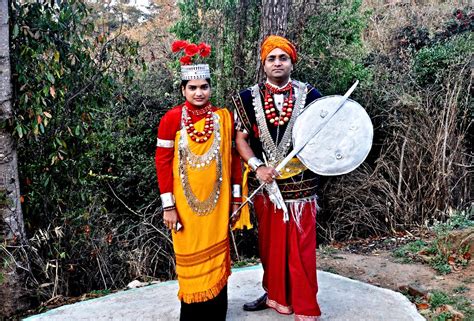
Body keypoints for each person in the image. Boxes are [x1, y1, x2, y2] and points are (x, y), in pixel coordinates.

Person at [232, 35, 323, 321]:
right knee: (271, 247)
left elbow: (327, 135)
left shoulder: (311, 95)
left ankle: (303, 302)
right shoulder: (247, 98)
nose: (277, 63)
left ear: (291, 62)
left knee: (302, 247)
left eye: (283, 57)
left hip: (302, 184)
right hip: (266, 185)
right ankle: (275, 294)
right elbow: (241, 140)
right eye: (271, 58)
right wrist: (257, 166)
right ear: (264, 63)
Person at [155, 41, 247, 321]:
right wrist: (168, 206)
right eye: (192, 87)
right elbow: (161, 162)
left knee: (218, 256)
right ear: (183, 90)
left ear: (210, 89)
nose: (199, 92)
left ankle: (217, 315)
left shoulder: (223, 118)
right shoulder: (171, 119)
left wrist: (235, 200)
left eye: (204, 87)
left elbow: (233, 159)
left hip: (218, 204)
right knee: (188, 258)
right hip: (184, 206)